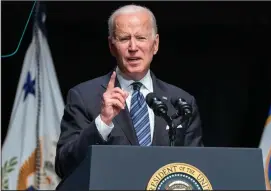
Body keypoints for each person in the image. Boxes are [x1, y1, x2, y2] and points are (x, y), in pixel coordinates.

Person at [55, 4, 203, 179]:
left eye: (140, 38)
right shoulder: (84, 97)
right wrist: (102, 122)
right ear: (111, 46)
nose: (133, 47)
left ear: (155, 45)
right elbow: (64, 166)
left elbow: (196, 170)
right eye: (124, 39)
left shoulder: (182, 101)